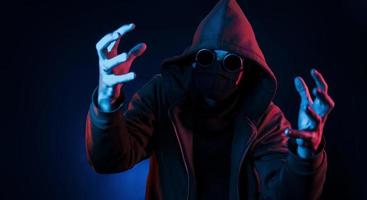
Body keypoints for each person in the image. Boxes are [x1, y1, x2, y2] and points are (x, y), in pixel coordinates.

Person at [85, 0, 335, 199]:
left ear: (245, 70)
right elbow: (109, 159)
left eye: (231, 62)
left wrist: (306, 155)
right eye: (206, 57)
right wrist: (107, 104)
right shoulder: (163, 96)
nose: (217, 69)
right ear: (193, 59)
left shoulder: (266, 119)